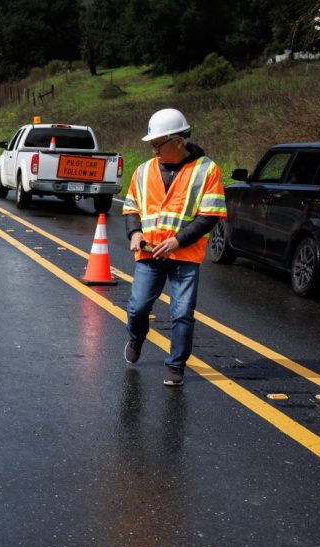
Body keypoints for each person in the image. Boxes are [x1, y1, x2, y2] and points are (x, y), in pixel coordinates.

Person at [122, 108, 227, 386]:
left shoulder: (207, 170)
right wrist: (134, 232)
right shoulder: (144, 170)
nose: (154, 150)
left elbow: (210, 215)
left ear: (178, 141)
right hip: (148, 252)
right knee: (137, 307)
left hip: (184, 255)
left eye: (158, 144)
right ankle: (137, 336)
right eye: (152, 145)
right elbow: (131, 205)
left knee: (182, 313)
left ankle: (176, 365)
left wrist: (177, 241)